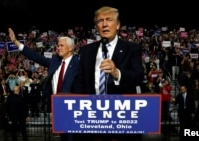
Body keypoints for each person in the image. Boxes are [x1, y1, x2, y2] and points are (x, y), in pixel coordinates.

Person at [72, 6, 144, 141]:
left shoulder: (131, 48)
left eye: (109, 20)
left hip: (121, 120)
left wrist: (117, 73)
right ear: (96, 27)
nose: (104, 24)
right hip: (92, 120)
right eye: (100, 21)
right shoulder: (86, 50)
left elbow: (138, 76)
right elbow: (79, 82)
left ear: (117, 25)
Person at [8, 28, 80, 141]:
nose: (58, 47)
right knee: (63, 138)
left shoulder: (78, 64)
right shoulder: (55, 61)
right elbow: (35, 56)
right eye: (58, 45)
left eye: (61, 45)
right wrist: (16, 42)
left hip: (74, 109)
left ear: (70, 48)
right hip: (58, 108)